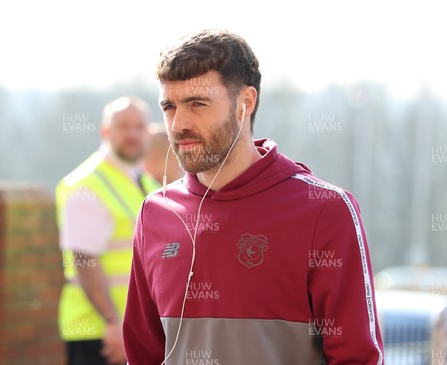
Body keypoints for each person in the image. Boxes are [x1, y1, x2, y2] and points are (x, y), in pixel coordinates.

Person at [122, 30, 384, 364]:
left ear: (245, 102)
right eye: (169, 107)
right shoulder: (155, 213)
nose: (178, 124)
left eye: (197, 104)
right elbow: (142, 354)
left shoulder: (325, 211)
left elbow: (357, 357)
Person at [56, 96, 159, 365]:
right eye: (123, 126)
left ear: (148, 133)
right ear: (105, 132)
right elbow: (83, 259)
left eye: (139, 127)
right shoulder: (87, 185)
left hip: (129, 329)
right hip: (99, 332)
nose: (132, 134)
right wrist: (114, 324)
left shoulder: (143, 179)